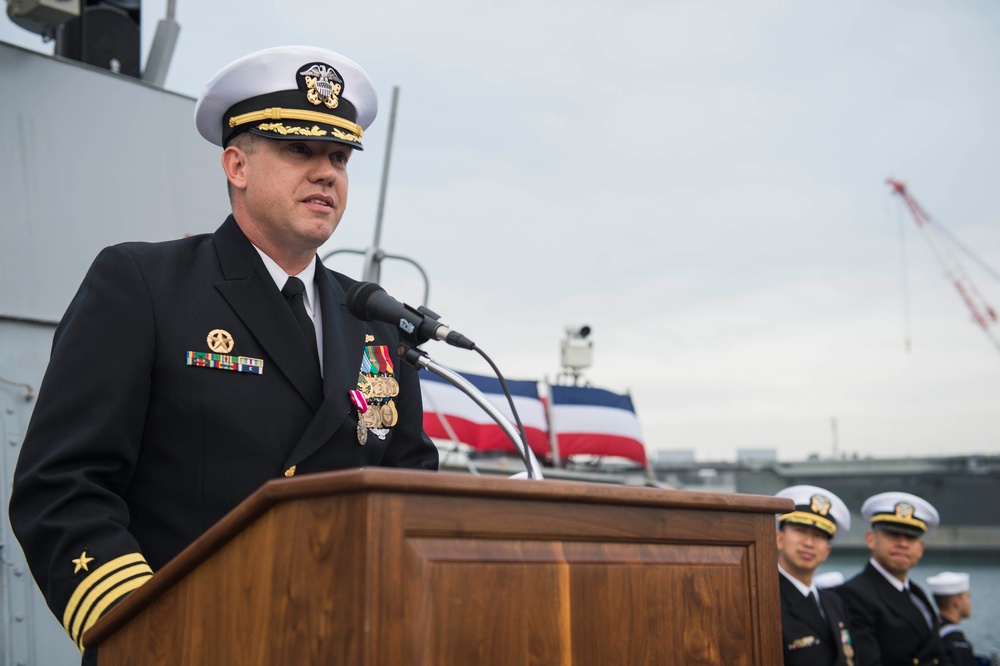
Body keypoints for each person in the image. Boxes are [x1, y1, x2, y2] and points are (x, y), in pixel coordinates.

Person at [7, 45, 439, 659]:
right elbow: (63, 486)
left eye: (339, 157)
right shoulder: (143, 285)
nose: (326, 173)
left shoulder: (374, 321)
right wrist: (146, 626)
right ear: (236, 165)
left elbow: (411, 493)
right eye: (300, 151)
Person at [836, 492, 952, 666]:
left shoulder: (916, 594)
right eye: (893, 534)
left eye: (911, 537)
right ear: (871, 539)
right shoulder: (852, 595)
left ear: (920, 548)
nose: (903, 543)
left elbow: (937, 653)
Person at [774, 485, 857, 666]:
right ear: (779, 539)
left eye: (819, 535)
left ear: (827, 551)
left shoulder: (834, 602)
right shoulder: (765, 599)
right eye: (800, 530)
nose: (809, 543)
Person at [927, 571, 977, 666]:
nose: (969, 602)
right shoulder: (956, 641)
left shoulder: (931, 627)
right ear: (957, 602)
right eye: (967, 597)